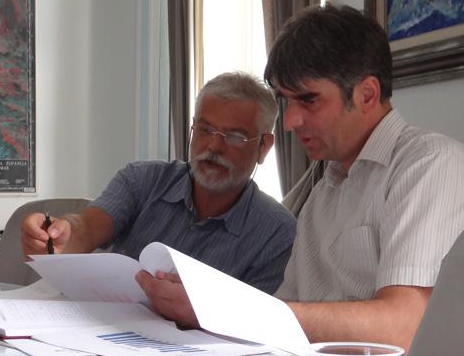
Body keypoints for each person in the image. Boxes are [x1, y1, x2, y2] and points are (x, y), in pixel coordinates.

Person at [137, 4, 464, 349]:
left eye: (308, 100)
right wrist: (205, 301)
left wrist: (223, 309)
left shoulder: (434, 166)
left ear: (367, 95)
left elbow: (401, 329)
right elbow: (285, 314)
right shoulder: (325, 191)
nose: (290, 121)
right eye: (287, 102)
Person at [21, 72, 296, 294]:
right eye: (205, 129)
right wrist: (62, 234)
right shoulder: (143, 181)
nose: (213, 146)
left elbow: (257, 324)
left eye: (234, 137)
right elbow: (88, 227)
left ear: (263, 146)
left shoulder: (276, 232)